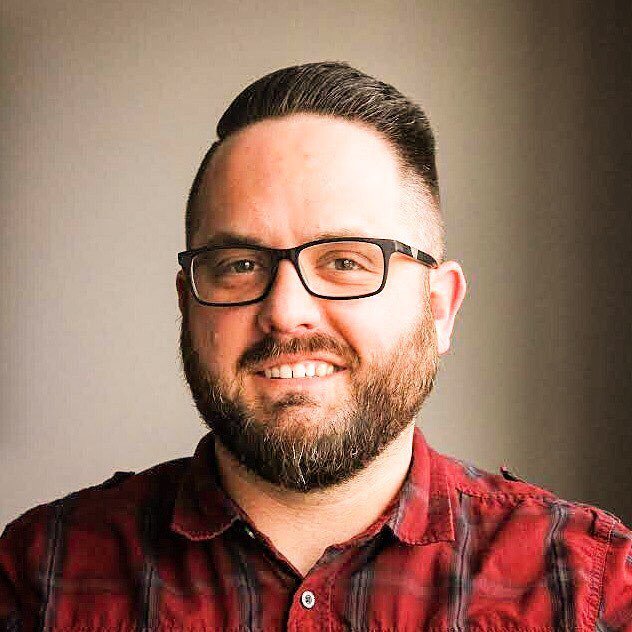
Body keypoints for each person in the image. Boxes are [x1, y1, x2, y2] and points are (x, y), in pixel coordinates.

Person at [1, 62, 630, 631]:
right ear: (187, 303)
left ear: (440, 307)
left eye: (346, 261)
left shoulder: (587, 583)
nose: (285, 311)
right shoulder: (41, 574)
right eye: (240, 264)